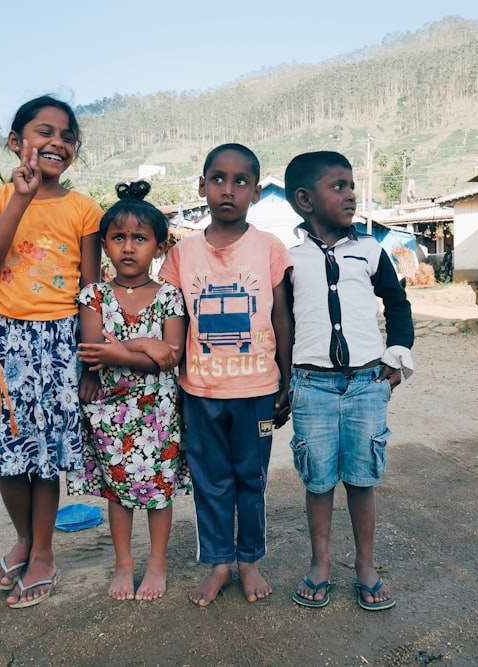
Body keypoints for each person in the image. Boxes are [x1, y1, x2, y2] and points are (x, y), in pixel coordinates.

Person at [0, 96, 101, 609]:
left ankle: (43, 551)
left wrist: (91, 359)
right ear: (15, 142)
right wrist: (19, 200)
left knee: (47, 455)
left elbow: (91, 291)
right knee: (10, 450)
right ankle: (23, 538)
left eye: (68, 136)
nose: (58, 142)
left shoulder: (84, 208)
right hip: (5, 339)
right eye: (44, 131)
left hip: (60, 338)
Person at [158, 143, 293, 606]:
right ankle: (218, 563)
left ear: (256, 191)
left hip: (257, 388)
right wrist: (173, 388)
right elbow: (173, 325)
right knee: (209, 479)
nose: (228, 190)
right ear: (201, 187)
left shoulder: (270, 249)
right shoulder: (181, 256)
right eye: (218, 179)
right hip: (200, 390)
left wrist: (286, 378)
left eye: (240, 181)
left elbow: (282, 319)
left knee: (250, 478)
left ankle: (249, 560)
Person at [283, 151, 414, 611]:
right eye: (337, 186)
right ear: (305, 200)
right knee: (317, 481)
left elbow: (397, 305)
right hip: (311, 386)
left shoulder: (371, 251)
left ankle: (365, 565)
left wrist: (397, 357)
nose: (351, 193)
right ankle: (321, 563)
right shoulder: (289, 258)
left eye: (351, 185)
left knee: (361, 478)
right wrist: (284, 382)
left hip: (365, 384)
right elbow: (282, 323)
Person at [66, 180, 191, 601]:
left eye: (140, 238)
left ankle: (157, 563)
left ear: (158, 247)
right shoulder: (93, 295)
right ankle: (124, 565)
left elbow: (172, 356)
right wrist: (143, 346)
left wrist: (125, 350)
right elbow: (94, 350)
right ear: (104, 245)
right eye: (118, 238)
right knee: (118, 492)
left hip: (159, 411)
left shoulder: (170, 297)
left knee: (157, 491)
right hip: (111, 410)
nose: (128, 247)